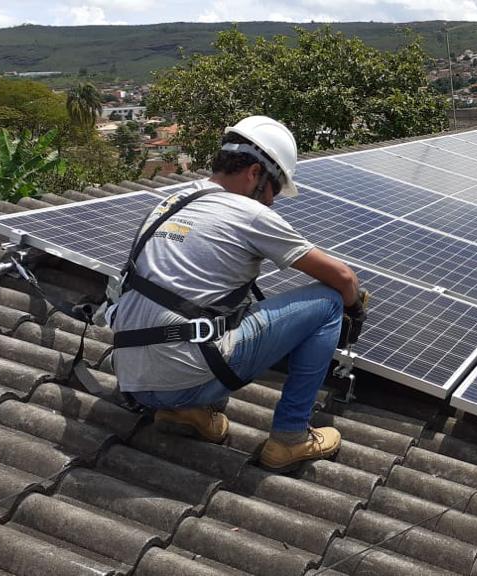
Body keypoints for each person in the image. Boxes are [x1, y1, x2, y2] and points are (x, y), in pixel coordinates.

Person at [107, 115, 367, 472]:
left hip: (132, 379)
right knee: (328, 303)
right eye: (275, 188)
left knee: (221, 302)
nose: (273, 202)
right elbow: (343, 277)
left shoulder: (173, 200)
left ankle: (184, 412)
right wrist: (354, 310)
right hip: (185, 375)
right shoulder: (249, 213)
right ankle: (291, 438)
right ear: (255, 173)